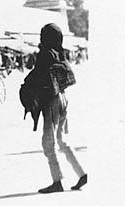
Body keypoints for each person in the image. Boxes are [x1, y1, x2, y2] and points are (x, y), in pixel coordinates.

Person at [23, 23, 86, 193]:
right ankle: (81, 173)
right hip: (64, 98)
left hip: (52, 101)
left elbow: (37, 76)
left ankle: (57, 181)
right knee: (62, 140)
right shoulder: (60, 53)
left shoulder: (46, 54)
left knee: (48, 143)